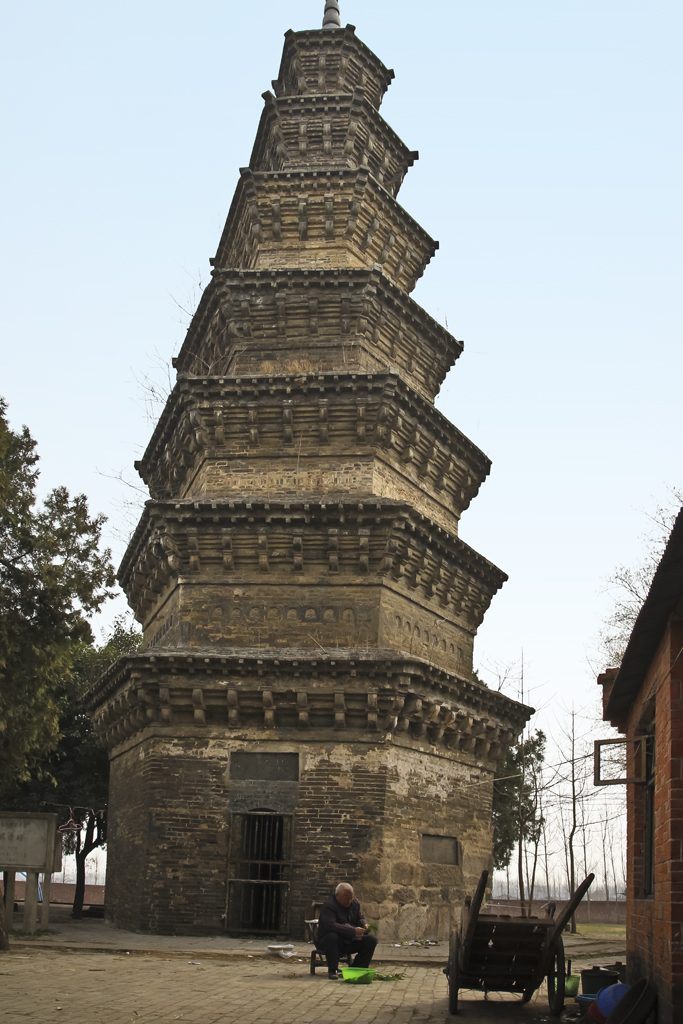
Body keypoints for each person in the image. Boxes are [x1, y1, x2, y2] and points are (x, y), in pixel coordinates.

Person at [316, 882, 378, 979]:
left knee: (371, 941)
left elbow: (359, 917)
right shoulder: (329, 905)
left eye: (351, 898)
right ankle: (333, 970)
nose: (350, 901)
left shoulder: (355, 903)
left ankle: (357, 969)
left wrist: (364, 925)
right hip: (329, 942)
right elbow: (331, 926)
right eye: (347, 898)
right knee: (333, 937)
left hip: (349, 940)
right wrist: (353, 931)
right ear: (337, 895)